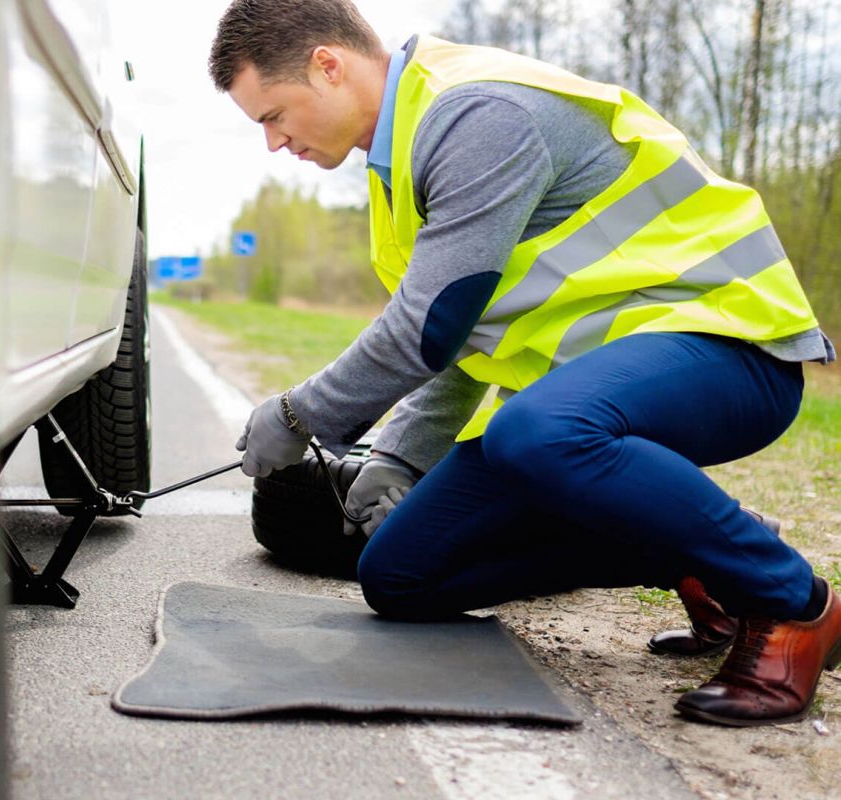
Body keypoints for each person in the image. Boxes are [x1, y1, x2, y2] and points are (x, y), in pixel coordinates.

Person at [211, 0, 839, 727]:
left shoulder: (474, 115)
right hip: (593, 397)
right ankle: (700, 555)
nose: (272, 141)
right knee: (400, 575)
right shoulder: (398, 164)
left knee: (532, 433)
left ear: (328, 65)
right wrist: (399, 457)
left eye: (272, 114)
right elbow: (465, 336)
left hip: (732, 348)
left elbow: (427, 323)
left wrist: (297, 415)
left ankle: (795, 604)